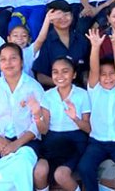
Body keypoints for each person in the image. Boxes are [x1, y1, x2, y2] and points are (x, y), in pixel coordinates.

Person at [0, 43, 49, 190]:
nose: (8, 63)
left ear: (22, 62)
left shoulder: (34, 87)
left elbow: (38, 125)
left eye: (13, 58)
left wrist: (16, 144)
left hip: (26, 143)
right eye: (3, 59)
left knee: (21, 163)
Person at [78, 27, 115, 191]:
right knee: (84, 167)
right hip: (97, 142)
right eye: (104, 74)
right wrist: (96, 46)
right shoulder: (94, 90)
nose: (108, 77)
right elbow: (94, 69)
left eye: (111, 74)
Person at [35, 57, 91, 191]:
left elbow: (88, 129)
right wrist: (37, 114)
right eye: (55, 72)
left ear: (74, 74)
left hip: (75, 141)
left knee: (61, 175)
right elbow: (43, 130)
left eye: (65, 71)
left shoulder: (82, 94)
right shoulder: (47, 95)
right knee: (39, 172)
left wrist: (75, 118)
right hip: (52, 141)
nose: (59, 76)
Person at [32, 0, 91, 88]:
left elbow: (87, 68)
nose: (63, 18)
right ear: (50, 19)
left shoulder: (82, 40)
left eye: (66, 14)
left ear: (72, 16)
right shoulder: (45, 42)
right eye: (58, 15)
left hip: (79, 91)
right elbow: (41, 76)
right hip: (54, 93)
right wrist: (63, 84)